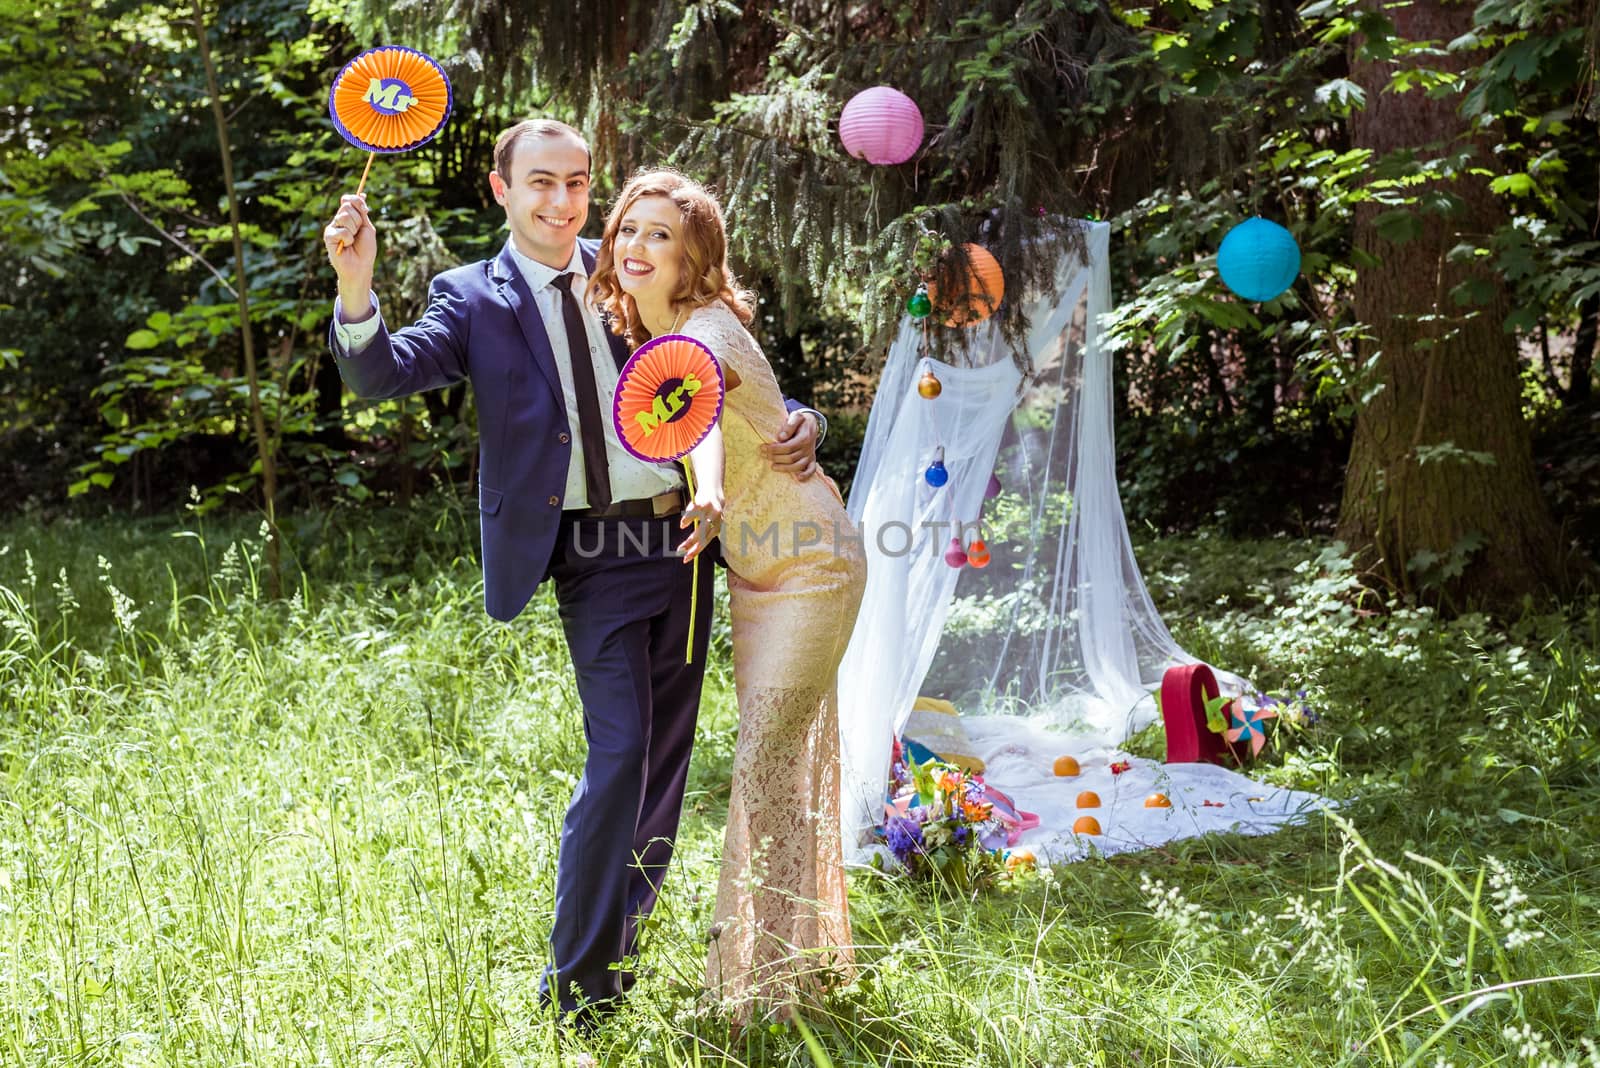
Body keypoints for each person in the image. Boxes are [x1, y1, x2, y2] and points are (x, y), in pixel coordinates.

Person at [320, 120, 828, 1029]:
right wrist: (356, 289)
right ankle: (578, 993)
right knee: (621, 753)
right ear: (500, 190)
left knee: (666, 762)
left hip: (681, 544)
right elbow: (379, 377)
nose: (564, 202)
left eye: (579, 182)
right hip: (590, 560)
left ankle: (619, 955)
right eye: (542, 183)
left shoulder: (633, 263)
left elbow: (720, 362)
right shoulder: (471, 297)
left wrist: (802, 418)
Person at [589, 168, 867, 1021]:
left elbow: (703, 413)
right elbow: (754, 409)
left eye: (661, 235)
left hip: (813, 565)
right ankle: (798, 972)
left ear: (695, 255)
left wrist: (707, 490)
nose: (638, 246)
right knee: (778, 771)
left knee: (761, 767)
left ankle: (758, 988)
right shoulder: (646, 332)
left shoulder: (703, 329)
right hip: (755, 573)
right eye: (629, 230)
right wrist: (804, 419)